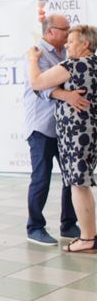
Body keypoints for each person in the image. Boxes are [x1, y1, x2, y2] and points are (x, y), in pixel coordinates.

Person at [28, 25, 97, 253]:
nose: (67, 44)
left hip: (75, 133)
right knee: (79, 183)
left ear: (85, 44)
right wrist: (64, 94)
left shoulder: (73, 64)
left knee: (78, 185)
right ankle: (83, 233)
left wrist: (31, 60)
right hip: (88, 132)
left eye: (71, 39)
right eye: (65, 36)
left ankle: (87, 238)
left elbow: (37, 83)